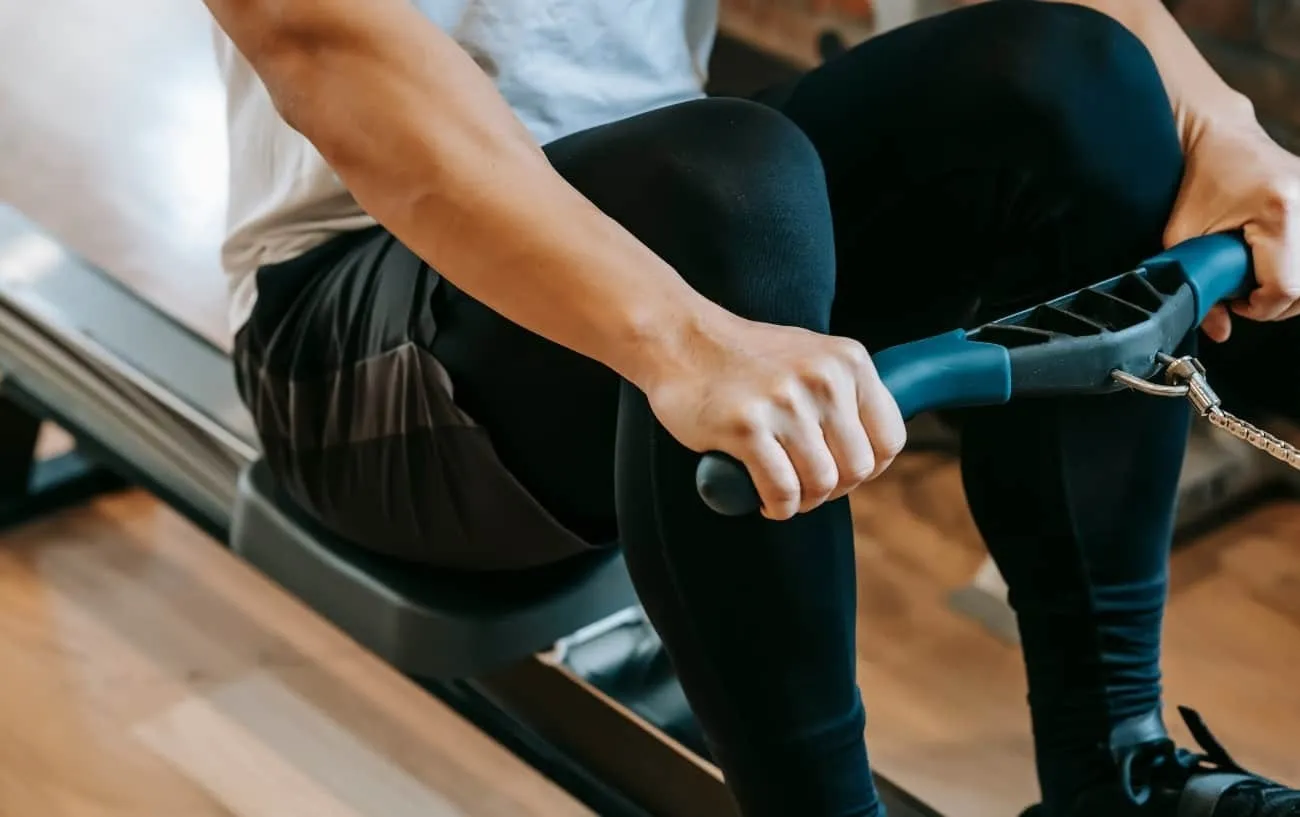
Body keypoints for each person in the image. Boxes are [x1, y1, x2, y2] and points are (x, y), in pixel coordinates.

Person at [204, 0, 1300, 814]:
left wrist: (1215, 122)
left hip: (702, 227)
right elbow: (317, 39)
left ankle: (1114, 768)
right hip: (362, 345)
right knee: (724, 186)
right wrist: (681, 336)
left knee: (1079, 75)